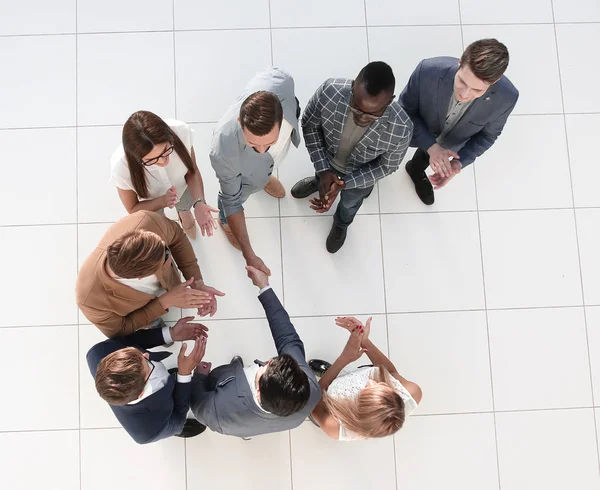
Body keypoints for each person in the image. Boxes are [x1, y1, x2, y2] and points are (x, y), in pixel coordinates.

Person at [291, 61, 413, 253]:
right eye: (356, 106)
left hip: (358, 177)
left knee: (350, 203)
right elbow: (309, 124)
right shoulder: (329, 91)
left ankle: (341, 223)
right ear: (353, 85)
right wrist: (323, 170)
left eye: (372, 114)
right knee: (321, 176)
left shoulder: (402, 129)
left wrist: (345, 184)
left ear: (390, 101)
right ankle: (318, 181)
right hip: (327, 159)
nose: (361, 117)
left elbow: (385, 167)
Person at [189, 265, 321, 438]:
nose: (266, 362)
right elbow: (288, 338)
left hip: (225, 395)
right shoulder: (309, 388)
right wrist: (264, 287)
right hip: (253, 423)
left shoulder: (217, 412)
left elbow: (197, 404)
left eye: (264, 367)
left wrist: (199, 377)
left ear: (258, 391)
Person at [400, 38, 519, 205]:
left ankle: (415, 168)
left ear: (494, 82)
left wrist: (458, 163)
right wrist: (432, 146)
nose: (464, 94)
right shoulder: (427, 70)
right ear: (460, 62)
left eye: (477, 90)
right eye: (462, 81)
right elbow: (404, 111)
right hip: (416, 130)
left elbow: (487, 137)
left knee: (424, 158)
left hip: (450, 142)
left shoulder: (507, 98)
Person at [76, 210, 224, 338]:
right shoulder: (89, 300)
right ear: (142, 276)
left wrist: (198, 283)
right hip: (141, 314)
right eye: (165, 257)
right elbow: (120, 330)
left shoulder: (147, 222)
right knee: (151, 328)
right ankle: (153, 324)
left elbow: (177, 237)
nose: (168, 254)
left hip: (166, 286)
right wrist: (165, 302)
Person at [210, 67, 301, 275]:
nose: (261, 150)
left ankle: (264, 177)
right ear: (240, 122)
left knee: (263, 164)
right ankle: (224, 223)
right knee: (232, 196)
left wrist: (266, 159)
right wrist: (249, 253)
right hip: (239, 173)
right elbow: (231, 200)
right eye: (254, 144)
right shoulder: (223, 150)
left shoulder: (281, 80)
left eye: (268, 143)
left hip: (263, 166)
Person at [87, 316, 211, 444]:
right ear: (141, 393)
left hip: (150, 388)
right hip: (163, 417)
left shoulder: (99, 353)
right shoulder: (148, 431)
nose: (146, 354)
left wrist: (170, 333)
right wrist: (184, 375)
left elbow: (129, 341)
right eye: (147, 363)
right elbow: (178, 418)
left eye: (136, 353)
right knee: (175, 426)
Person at [110, 110, 219, 239]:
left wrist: (199, 202)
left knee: (185, 202)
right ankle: (165, 223)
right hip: (150, 201)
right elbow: (133, 208)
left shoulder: (180, 131)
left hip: (183, 186)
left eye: (166, 150)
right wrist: (162, 201)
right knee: (159, 221)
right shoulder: (121, 167)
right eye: (151, 160)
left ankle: (184, 213)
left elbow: (192, 170)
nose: (163, 161)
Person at [310, 317, 422, 441]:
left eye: (366, 390)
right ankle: (333, 374)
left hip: (324, 403)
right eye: (382, 386)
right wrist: (364, 340)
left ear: (358, 407)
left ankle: (330, 374)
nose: (370, 381)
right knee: (340, 375)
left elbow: (315, 404)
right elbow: (390, 372)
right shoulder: (412, 392)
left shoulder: (334, 426)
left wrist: (343, 359)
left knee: (313, 398)